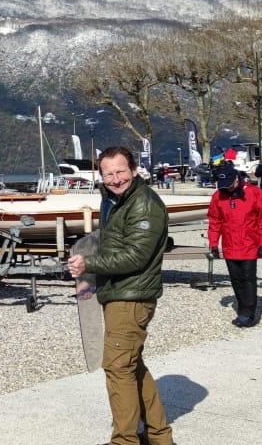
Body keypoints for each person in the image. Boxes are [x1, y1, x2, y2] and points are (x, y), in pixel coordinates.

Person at [67, 146, 173, 445]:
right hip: (119, 291)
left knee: (116, 367)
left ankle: (124, 440)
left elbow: (136, 256)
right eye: (108, 173)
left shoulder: (143, 204)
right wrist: (89, 264)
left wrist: (90, 264)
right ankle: (159, 436)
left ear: (134, 170)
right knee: (131, 364)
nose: (115, 179)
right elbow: (112, 242)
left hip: (132, 296)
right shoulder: (114, 200)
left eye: (120, 172)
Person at [207, 162, 262, 327]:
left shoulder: (254, 193)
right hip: (230, 244)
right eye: (224, 186)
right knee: (236, 279)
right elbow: (215, 221)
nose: (227, 188)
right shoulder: (219, 196)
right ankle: (243, 307)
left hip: (249, 244)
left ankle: (248, 312)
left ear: (237, 179)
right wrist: (214, 244)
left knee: (248, 279)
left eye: (229, 185)